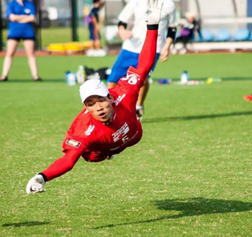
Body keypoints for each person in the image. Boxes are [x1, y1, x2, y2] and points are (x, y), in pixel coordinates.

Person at [26, 0, 163, 194]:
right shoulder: (84, 129)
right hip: (100, 151)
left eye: (100, 100)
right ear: (85, 107)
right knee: (90, 156)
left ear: (109, 96)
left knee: (133, 132)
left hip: (133, 135)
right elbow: (68, 160)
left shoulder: (124, 92)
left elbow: (145, 64)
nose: (98, 107)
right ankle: (107, 152)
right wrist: (42, 177)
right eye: (90, 104)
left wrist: (152, 26)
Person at [107, 0, 177, 121]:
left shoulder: (169, 4)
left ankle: (138, 107)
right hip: (131, 46)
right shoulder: (135, 2)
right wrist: (122, 30)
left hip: (153, 48)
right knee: (113, 79)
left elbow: (172, 28)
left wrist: (167, 46)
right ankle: (110, 109)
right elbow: (122, 21)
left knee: (142, 79)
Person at [0, 0, 41, 82]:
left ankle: (35, 75)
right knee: (9, 53)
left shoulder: (29, 3)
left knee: (31, 54)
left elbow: (32, 18)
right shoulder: (11, 4)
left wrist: (19, 18)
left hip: (27, 31)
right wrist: (25, 17)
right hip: (14, 31)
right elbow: (12, 17)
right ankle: (4, 75)